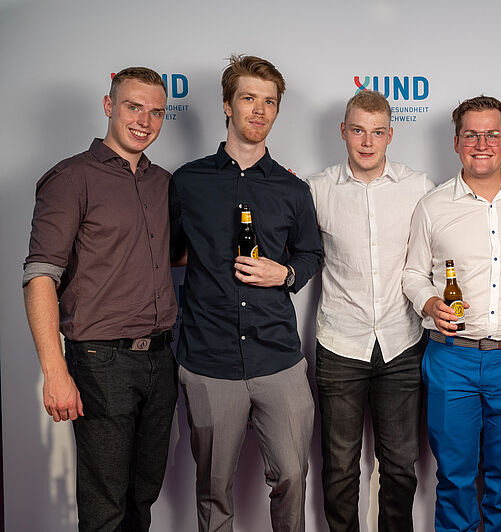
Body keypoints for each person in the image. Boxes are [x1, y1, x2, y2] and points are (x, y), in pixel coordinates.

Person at [169, 55, 323, 532]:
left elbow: (311, 254)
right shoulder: (187, 182)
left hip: (277, 357)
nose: (259, 110)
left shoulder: (293, 190)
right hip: (208, 359)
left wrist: (285, 274)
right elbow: (169, 252)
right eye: (249, 98)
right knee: (213, 488)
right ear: (227, 105)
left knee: (292, 476)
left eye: (269, 102)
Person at [23, 67, 176, 531]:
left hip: (161, 360)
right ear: (109, 106)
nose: (144, 121)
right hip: (101, 362)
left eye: (156, 112)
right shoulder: (71, 178)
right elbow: (40, 275)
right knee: (104, 507)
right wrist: (55, 372)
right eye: (133, 107)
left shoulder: (163, 182)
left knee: (142, 498)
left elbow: (176, 254)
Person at [403, 95, 501, 531]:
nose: (482, 144)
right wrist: (429, 302)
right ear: (456, 142)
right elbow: (412, 274)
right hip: (451, 359)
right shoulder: (432, 205)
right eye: (471, 135)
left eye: (492, 134)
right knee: (455, 479)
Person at [307, 89, 433, 531]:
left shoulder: (419, 187)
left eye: (377, 132)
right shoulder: (317, 189)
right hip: (340, 343)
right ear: (343, 131)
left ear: (390, 135)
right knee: (340, 467)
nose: (367, 141)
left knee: (399, 465)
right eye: (358, 130)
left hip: (402, 343)